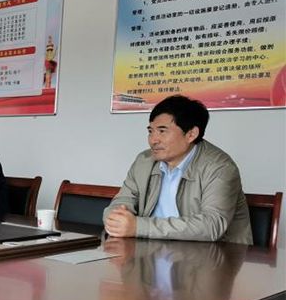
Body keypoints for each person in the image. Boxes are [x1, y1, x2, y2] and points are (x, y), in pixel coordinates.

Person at [103, 95, 252, 244]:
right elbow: (122, 201)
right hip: (152, 249)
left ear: (191, 134)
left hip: (213, 254)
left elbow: (212, 225)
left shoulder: (220, 167)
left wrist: (139, 227)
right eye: (151, 131)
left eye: (162, 131)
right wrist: (115, 219)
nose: (153, 140)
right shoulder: (144, 161)